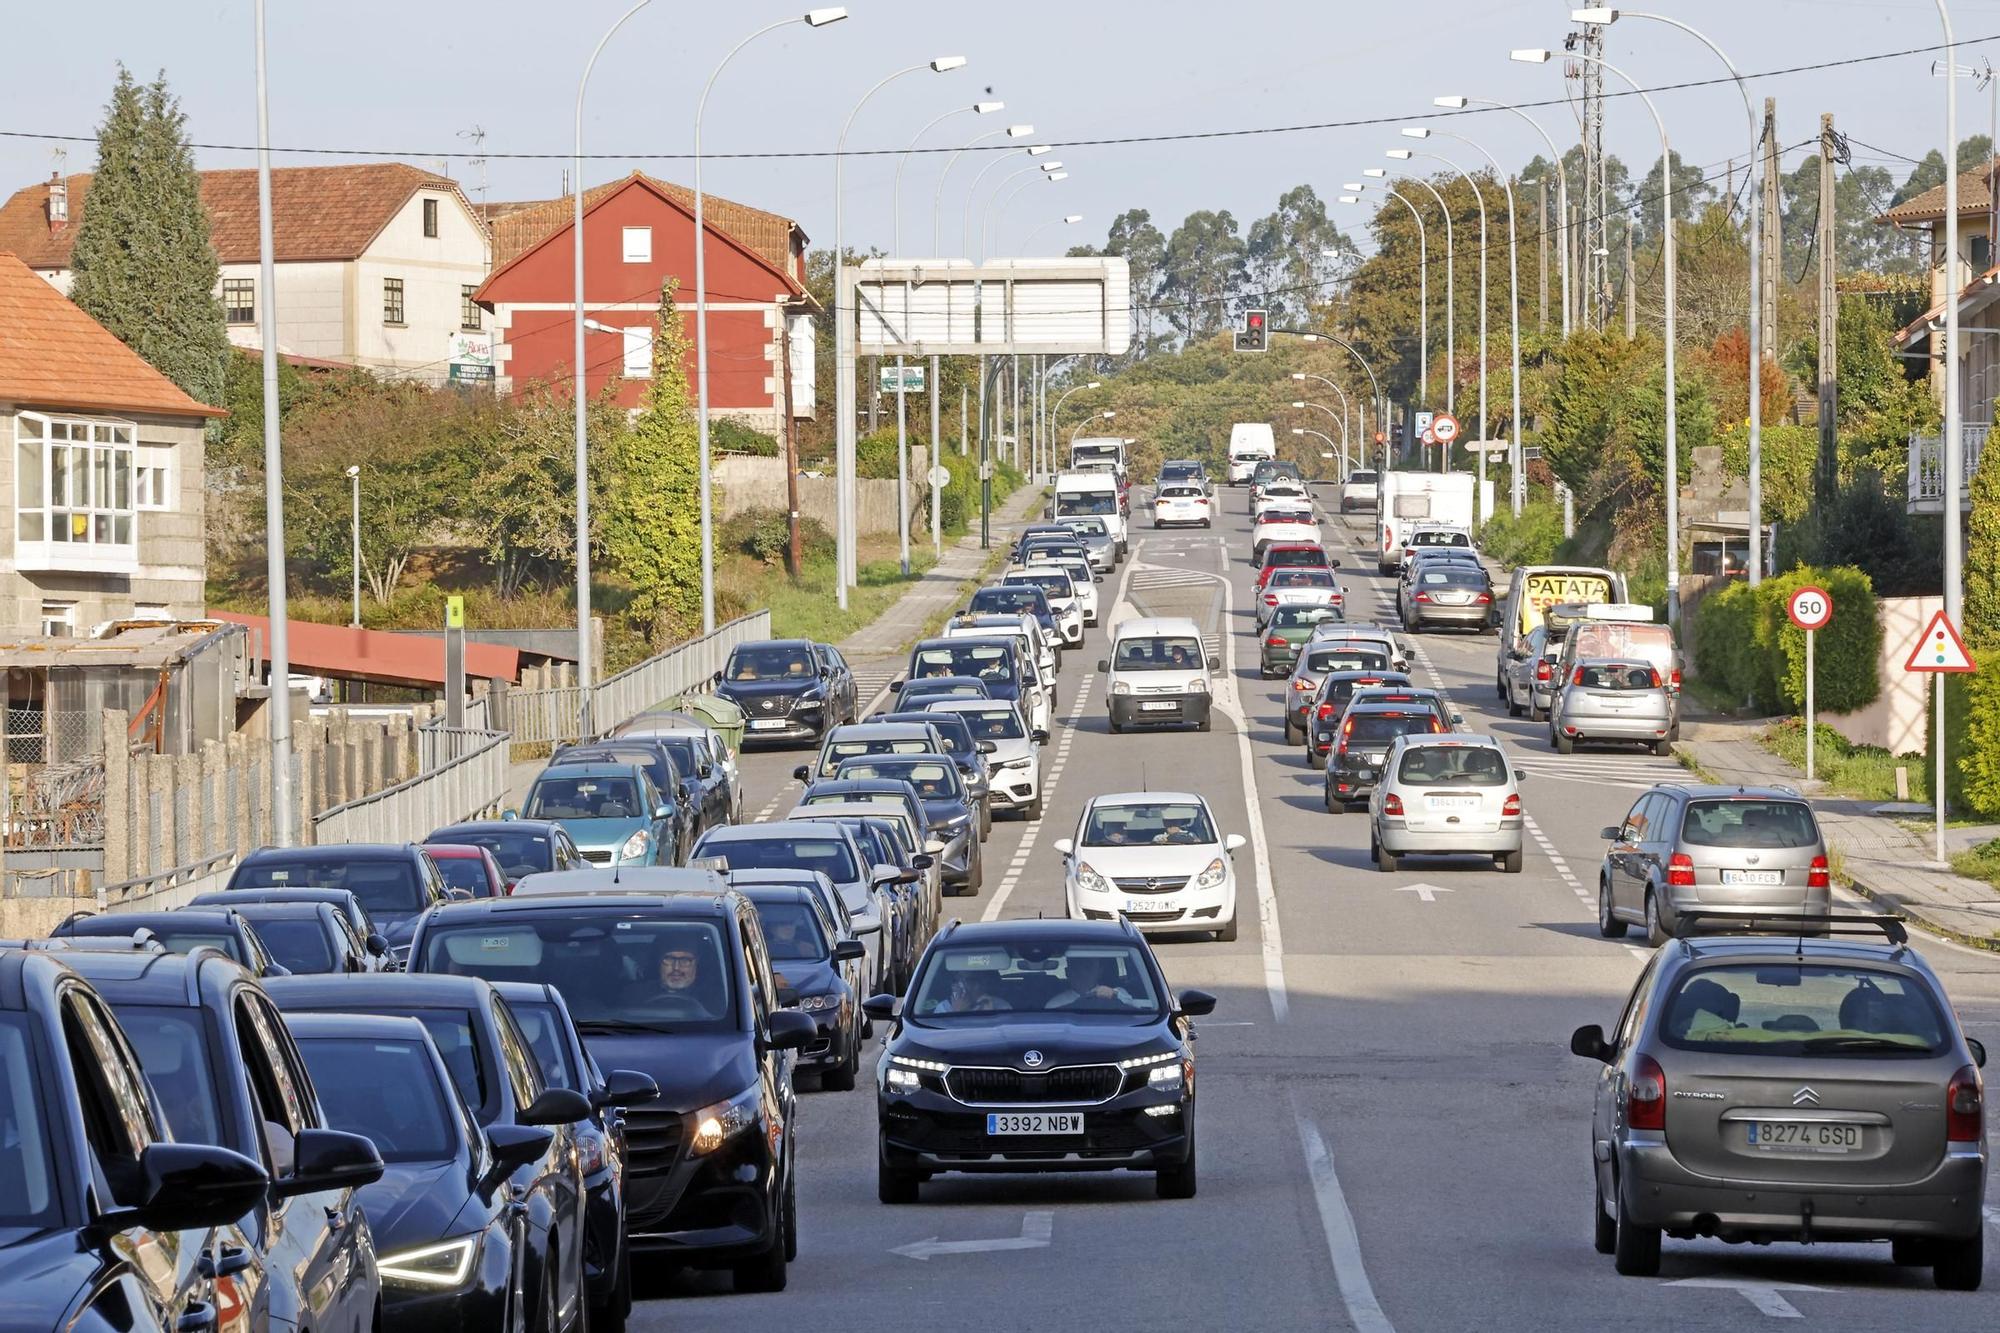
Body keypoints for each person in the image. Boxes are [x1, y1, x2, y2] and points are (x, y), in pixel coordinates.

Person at [1047, 956, 1140, 1009]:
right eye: (1076, 967)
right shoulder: (1055, 1004)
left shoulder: (1116, 994)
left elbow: (1134, 1009)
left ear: (1099, 972)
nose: (1082, 973)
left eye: (1087, 967)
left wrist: (1113, 994)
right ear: (1067, 972)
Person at [934, 971, 1010, 1013]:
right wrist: (957, 1012)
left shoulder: (1001, 1006)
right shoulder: (944, 1008)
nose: (978, 985)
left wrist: (989, 1015)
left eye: (970, 981)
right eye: (958, 981)